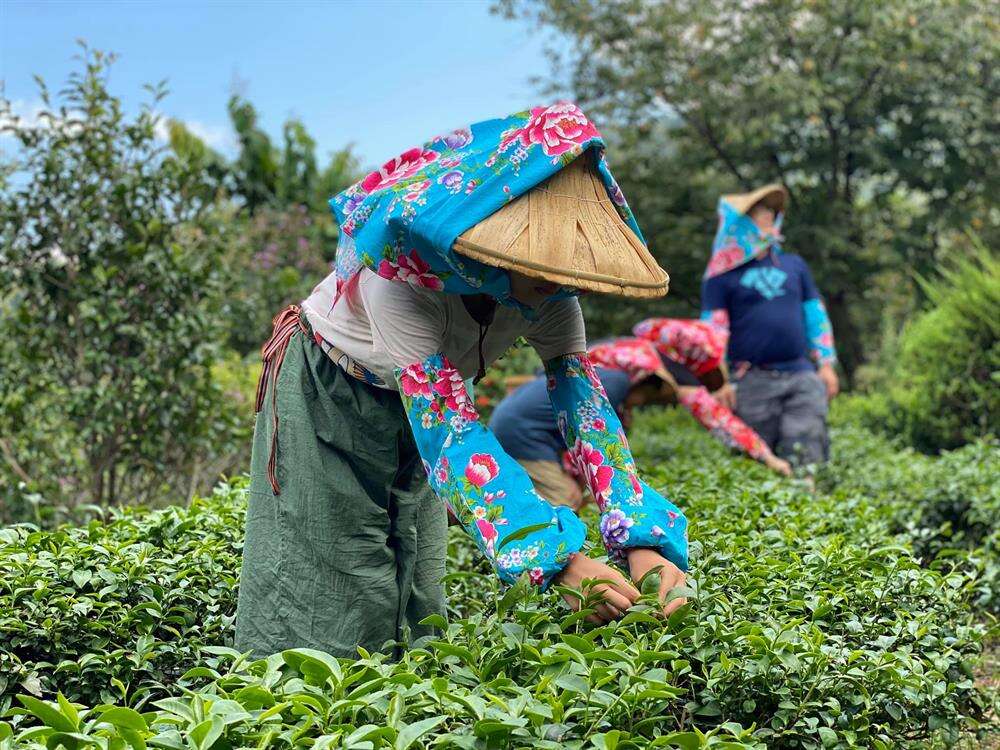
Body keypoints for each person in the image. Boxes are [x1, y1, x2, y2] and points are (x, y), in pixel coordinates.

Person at [235, 103, 689, 660]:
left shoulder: (554, 296)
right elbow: (449, 433)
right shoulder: (401, 279)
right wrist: (557, 561)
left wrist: (641, 540)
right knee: (333, 584)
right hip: (330, 391)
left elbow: (586, 411)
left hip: (427, 400)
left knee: (419, 580)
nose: (556, 280)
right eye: (538, 261)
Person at [489, 336, 789, 512]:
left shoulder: (600, 372)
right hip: (524, 433)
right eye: (650, 398)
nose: (644, 405)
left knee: (562, 498)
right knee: (564, 501)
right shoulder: (614, 382)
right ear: (644, 383)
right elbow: (590, 441)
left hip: (519, 425)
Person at [700, 185, 838, 466]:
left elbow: (815, 314)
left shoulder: (794, 265)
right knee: (758, 461)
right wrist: (719, 380)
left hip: (801, 374)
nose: (768, 217)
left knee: (807, 451)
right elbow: (713, 331)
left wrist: (825, 364)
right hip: (751, 379)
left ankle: (809, 492)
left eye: (770, 212)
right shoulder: (720, 275)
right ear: (739, 222)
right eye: (758, 212)